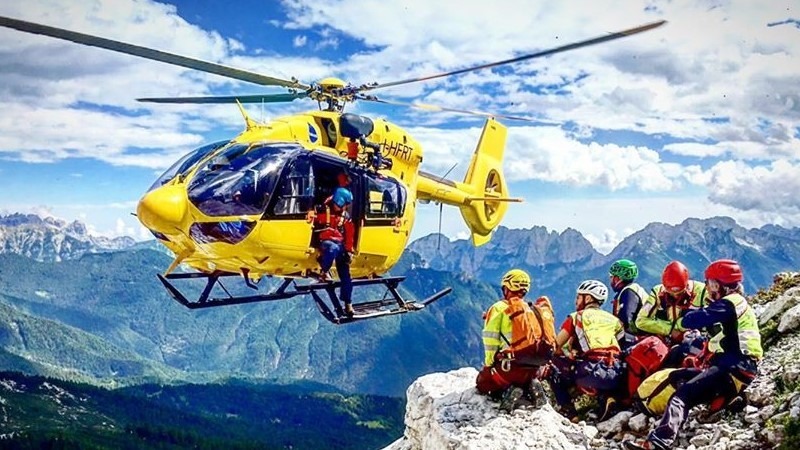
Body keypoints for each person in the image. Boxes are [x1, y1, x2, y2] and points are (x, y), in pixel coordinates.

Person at [624, 259, 763, 450]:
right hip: (735, 368)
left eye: (711, 284)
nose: (708, 287)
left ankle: (659, 442)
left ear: (720, 285)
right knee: (678, 375)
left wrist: (690, 316)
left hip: (732, 367)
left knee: (682, 396)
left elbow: (692, 319)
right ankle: (725, 399)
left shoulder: (729, 303)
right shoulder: (735, 304)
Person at [476, 269, 553, 412]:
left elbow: (490, 341)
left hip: (507, 368)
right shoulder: (533, 310)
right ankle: (530, 385)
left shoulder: (499, 308)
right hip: (535, 369)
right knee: (523, 376)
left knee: (483, 384)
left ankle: (508, 391)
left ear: (506, 288)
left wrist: (488, 366)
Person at [550, 280, 626, 422]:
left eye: (579, 297)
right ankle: (607, 399)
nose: (576, 301)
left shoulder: (576, 317)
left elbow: (555, 346)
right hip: (616, 374)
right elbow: (620, 346)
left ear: (588, 298)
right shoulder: (615, 321)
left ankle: (570, 412)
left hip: (590, 371)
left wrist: (566, 356)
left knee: (553, 367)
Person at [635, 261, 708, 346]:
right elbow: (641, 321)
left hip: (696, 341)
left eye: (680, 293)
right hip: (666, 342)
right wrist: (670, 330)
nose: (675, 296)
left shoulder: (703, 291)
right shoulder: (657, 292)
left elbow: (712, 315)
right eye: (670, 293)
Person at [314, 171, 355, 316]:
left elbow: (349, 234)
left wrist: (349, 250)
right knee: (333, 247)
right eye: (342, 205)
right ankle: (323, 272)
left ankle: (348, 304)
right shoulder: (322, 210)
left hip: (339, 245)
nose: (343, 208)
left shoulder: (345, 217)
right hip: (325, 242)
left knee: (346, 274)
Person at [609, 259, 648, 348]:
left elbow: (626, 318)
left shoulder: (629, 291)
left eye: (611, 277)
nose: (611, 280)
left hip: (635, 340)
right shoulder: (634, 290)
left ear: (617, 278)